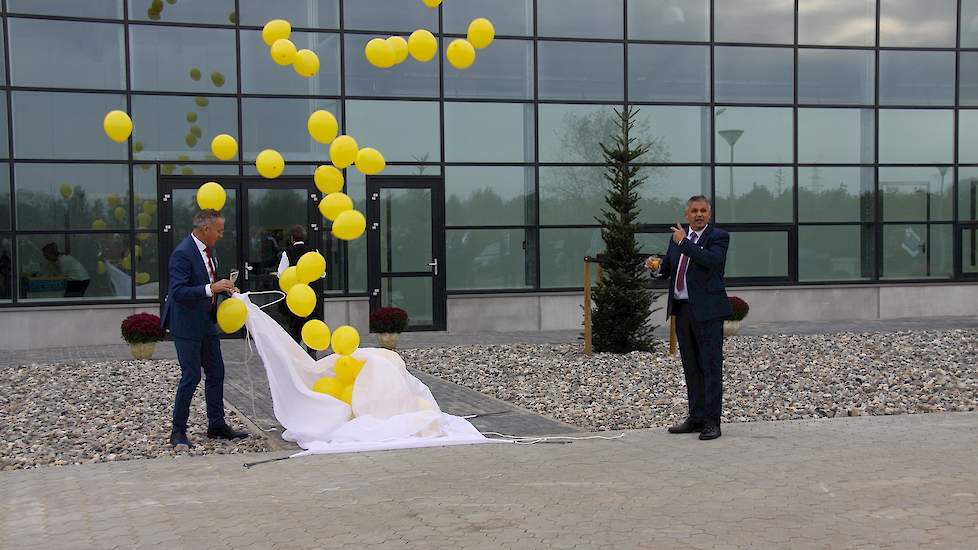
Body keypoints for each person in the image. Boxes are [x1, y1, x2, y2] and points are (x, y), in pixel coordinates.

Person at [646, 196, 732, 440]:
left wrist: (684, 242)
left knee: (710, 367)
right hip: (683, 310)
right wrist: (657, 266)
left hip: (708, 312)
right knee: (691, 367)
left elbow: (711, 261)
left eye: (703, 210)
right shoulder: (677, 239)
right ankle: (696, 417)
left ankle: (712, 422)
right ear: (687, 214)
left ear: (710, 213)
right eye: (694, 211)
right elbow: (671, 268)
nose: (699, 214)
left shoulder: (718, 237)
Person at [161, 209, 248, 450]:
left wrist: (226, 289)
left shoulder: (210, 252)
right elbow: (178, 292)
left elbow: (210, 282)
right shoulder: (182, 253)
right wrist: (212, 288)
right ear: (205, 229)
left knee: (217, 372)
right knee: (191, 375)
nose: (221, 235)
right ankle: (177, 431)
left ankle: (216, 425)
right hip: (187, 325)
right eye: (219, 230)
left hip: (207, 322)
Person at [277, 225, 322, 358]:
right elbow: (322, 273)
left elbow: (281, 274)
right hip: (311, 294)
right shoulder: (314, 252)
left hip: (296, 296)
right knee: (311, 322)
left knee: (295, 323)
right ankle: (312, 351)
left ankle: (295, 352)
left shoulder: (287, 253)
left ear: (292, 239)